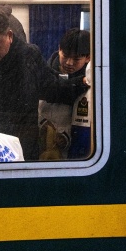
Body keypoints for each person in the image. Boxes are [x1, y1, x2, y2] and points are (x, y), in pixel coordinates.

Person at [0, 10, 89, 160]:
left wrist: (82, 82)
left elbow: (52, 88)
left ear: (9, 36)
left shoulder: (28, 56)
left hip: (21, 145)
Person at [38, 28, 91, 160]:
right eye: (65, 56)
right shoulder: (43, 73)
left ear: (88, 58)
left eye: (76, 59)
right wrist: (42, 124)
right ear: (59, 49)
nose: (69, 63)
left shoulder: (90, 84)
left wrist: (65, 136)